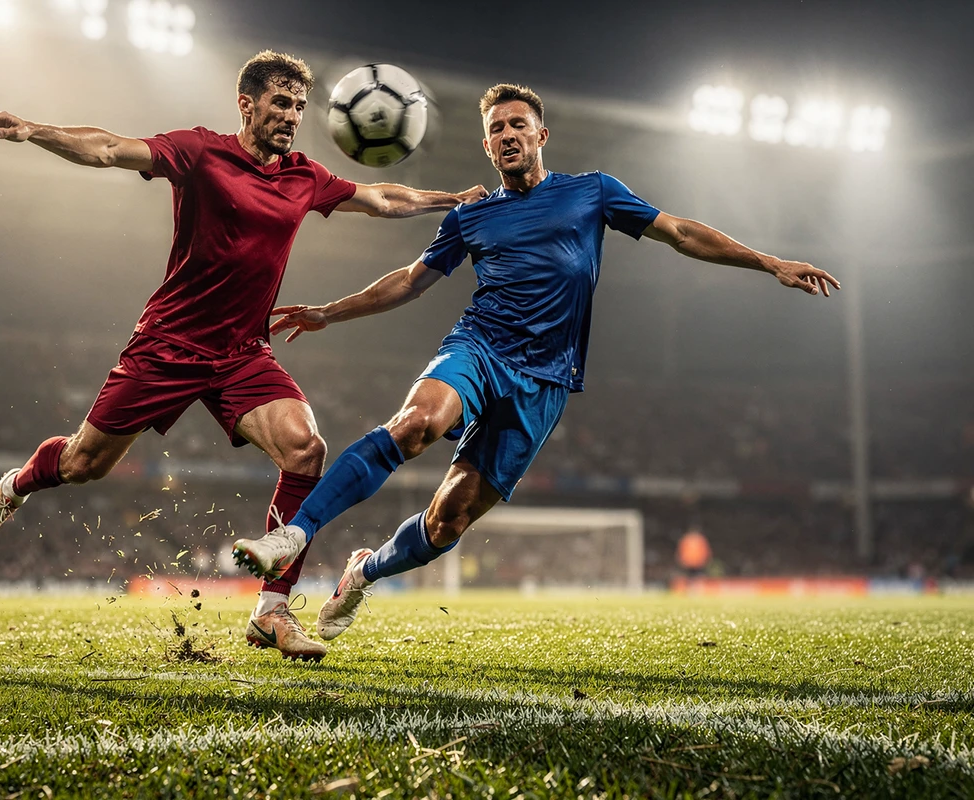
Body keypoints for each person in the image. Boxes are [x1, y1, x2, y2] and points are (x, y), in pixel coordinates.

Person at [232, 83, 839, 640]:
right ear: (487, 146)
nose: (507, 135)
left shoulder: (592, 191)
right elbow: (412, 280)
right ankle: (295, 534)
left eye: (518, 124)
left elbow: (679, 232)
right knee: (416, 425)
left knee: (447, 523)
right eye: (496, 129)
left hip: (545, 380)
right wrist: (329, 312)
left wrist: (768, 263)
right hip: (479, 346)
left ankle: (364, 572)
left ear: (541, 135)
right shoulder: (469, 215)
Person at [0, 51, 487, 662]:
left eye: (299, 106)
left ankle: (272, 610)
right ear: (247, 104)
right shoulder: (200, 152)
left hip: (242, 353)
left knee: (306, 449)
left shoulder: (304, 176)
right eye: (281, 103)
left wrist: (451, 199)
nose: (292, 116)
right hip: (169, 344)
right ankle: (14, 488)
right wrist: (34, 130)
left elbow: (381, 198)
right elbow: (108, 148)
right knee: (84, 464)